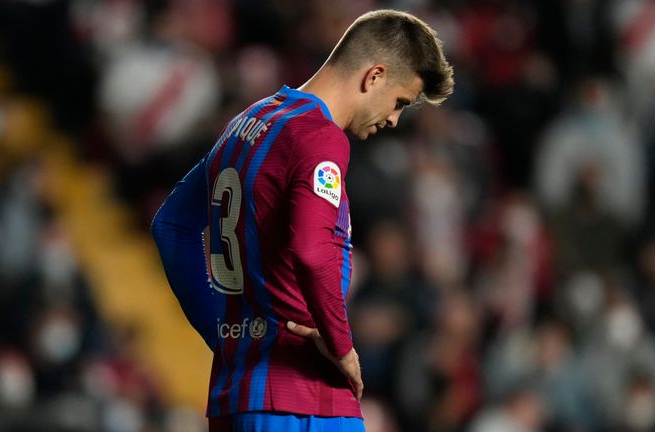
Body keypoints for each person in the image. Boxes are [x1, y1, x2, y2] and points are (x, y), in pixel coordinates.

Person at [150, 9, 454, 432]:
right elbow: (311, 250)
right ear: (374, 76)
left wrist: (224, 335)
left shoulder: (249, 122)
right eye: (400, 102)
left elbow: (171, 227)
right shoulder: (319, 137)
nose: (393, 119)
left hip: (237, 394)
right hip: (302, 398)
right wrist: (341, 345)